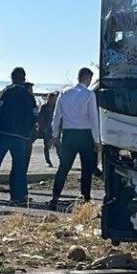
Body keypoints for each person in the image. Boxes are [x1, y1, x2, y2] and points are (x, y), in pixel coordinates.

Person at [48, 68, 102, 211]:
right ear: (88, 78)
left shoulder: (64, 92)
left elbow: (56, 116)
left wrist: (55, 135)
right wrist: (97, 140)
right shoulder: (89, 94)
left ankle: (55, 197)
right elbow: (93, 119)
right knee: (87, 169)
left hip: (68, 135)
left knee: (63, 168)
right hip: (85, 135)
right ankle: (86, 198)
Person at [0, 67, 37, 205]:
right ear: (24, 78)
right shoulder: (28, 95)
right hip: (21, 136)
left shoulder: (6, 92)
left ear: (12, 78)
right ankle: (18, 196)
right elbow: (34, 114)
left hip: (3, 133)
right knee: (19, 167)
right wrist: (27, 129)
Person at [37, 91, 58, 167]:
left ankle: (62, 161)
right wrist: (43, 128)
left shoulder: (57, 107)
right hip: (46, 129)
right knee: (46, 145)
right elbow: (40, 118)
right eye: (51, 99)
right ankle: (48, 161)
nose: (52, 100)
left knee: (58, 145)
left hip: (54, 129)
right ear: (48, 99)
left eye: (54, 99)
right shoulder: (44, 107)